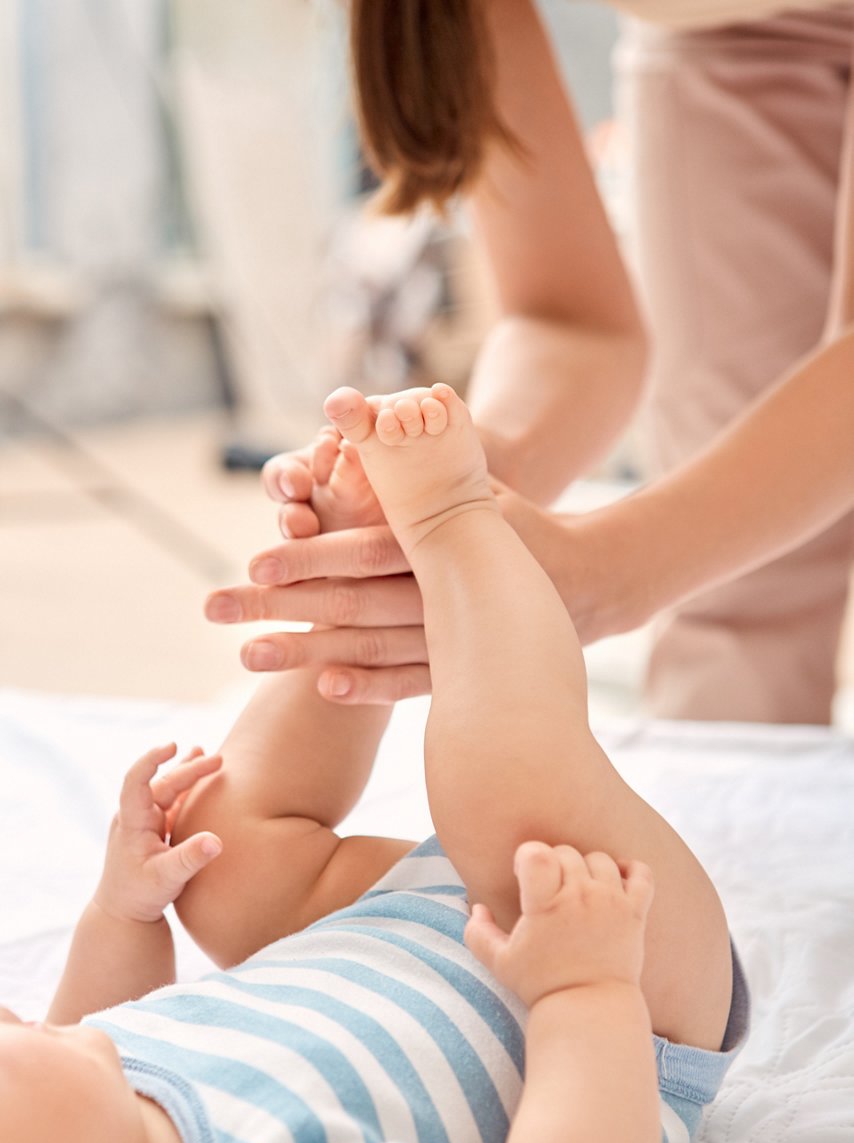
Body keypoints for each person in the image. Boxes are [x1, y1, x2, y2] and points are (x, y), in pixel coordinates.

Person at [0, 383, 747, 1143]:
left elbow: (93, 1022)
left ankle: (354, 605)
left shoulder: (92, 1125)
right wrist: (585, 990)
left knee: (213, 851)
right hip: (614, 952)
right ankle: (450, 521)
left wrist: (124, 915)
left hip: (385, 926)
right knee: (499, 790)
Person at [209, 0, 854, 725]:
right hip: (724, 36)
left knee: (680, 550)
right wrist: (475, 470)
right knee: (731, 586)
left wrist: (610, 570)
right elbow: (567, 319)